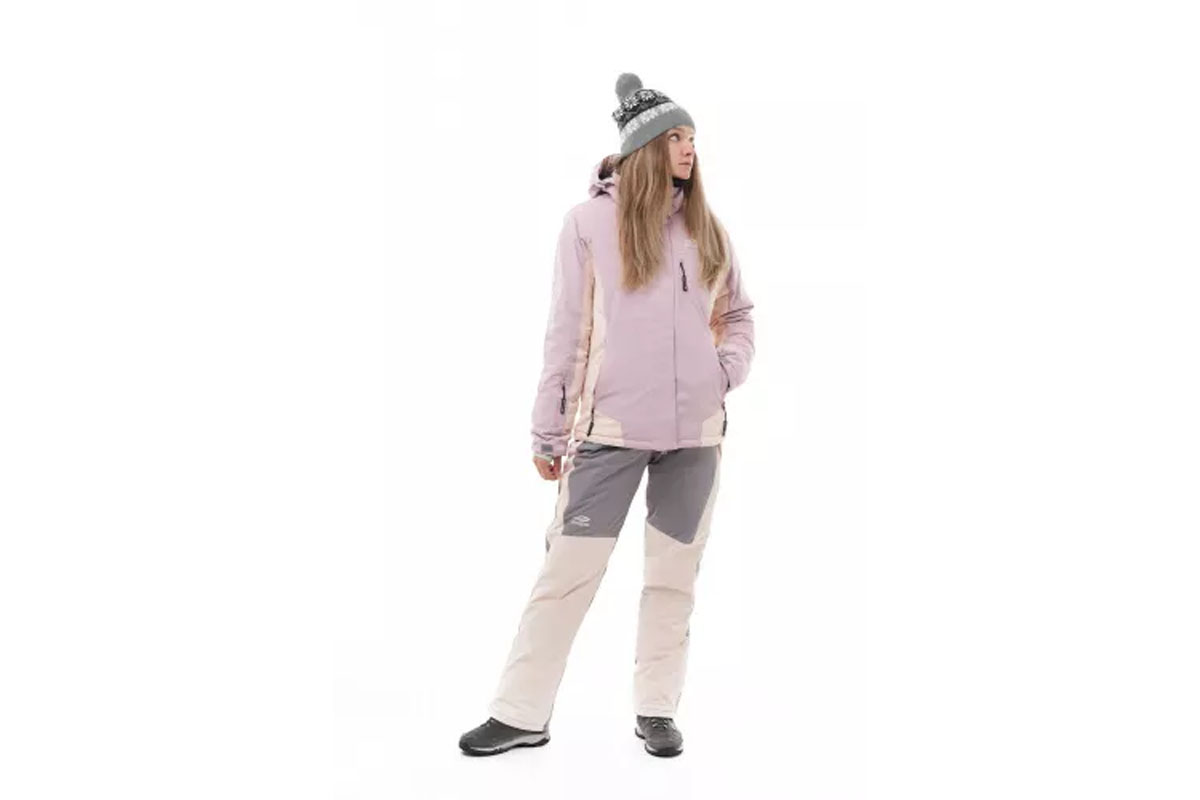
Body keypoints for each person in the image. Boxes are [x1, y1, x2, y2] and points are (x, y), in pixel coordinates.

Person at [459, 72, 755, 758]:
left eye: (692, 137)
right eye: (676, 137)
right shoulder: (588, 225)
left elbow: (738, 314)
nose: (690, 149)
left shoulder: (707, 227)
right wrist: (548, 429)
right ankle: (520, 712)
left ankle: (657, 709)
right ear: (645, 147)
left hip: (696, 438)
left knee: (673, 582)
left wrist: (721, 373)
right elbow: (566, 333)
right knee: (565, 577)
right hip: (608, 434)